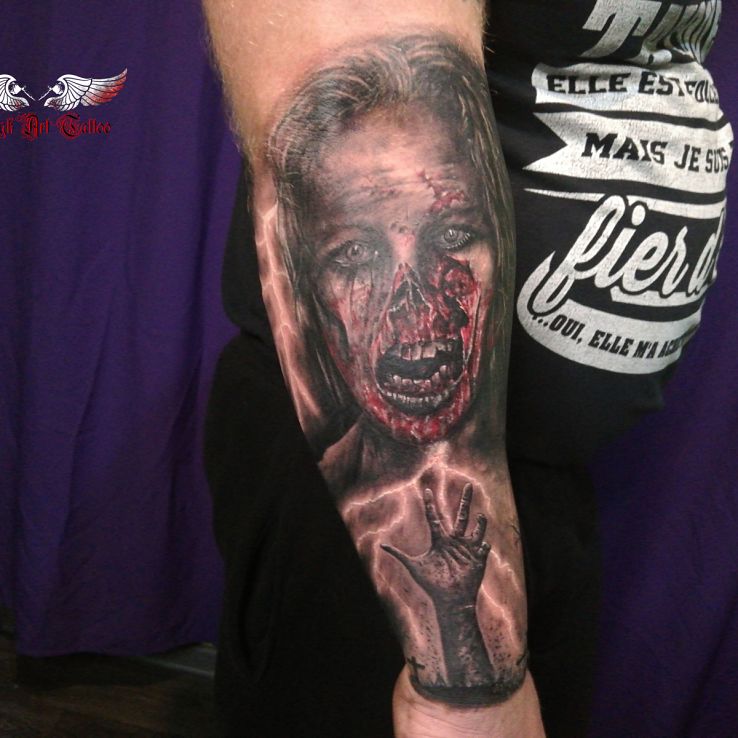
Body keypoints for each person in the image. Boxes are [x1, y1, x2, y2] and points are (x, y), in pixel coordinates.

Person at [203, 1, 731, 736]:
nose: (416, 306)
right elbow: (340, 102)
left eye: (453, 236)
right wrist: (462, 690)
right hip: (366, 518)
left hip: (523, 489)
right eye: (356, 254)